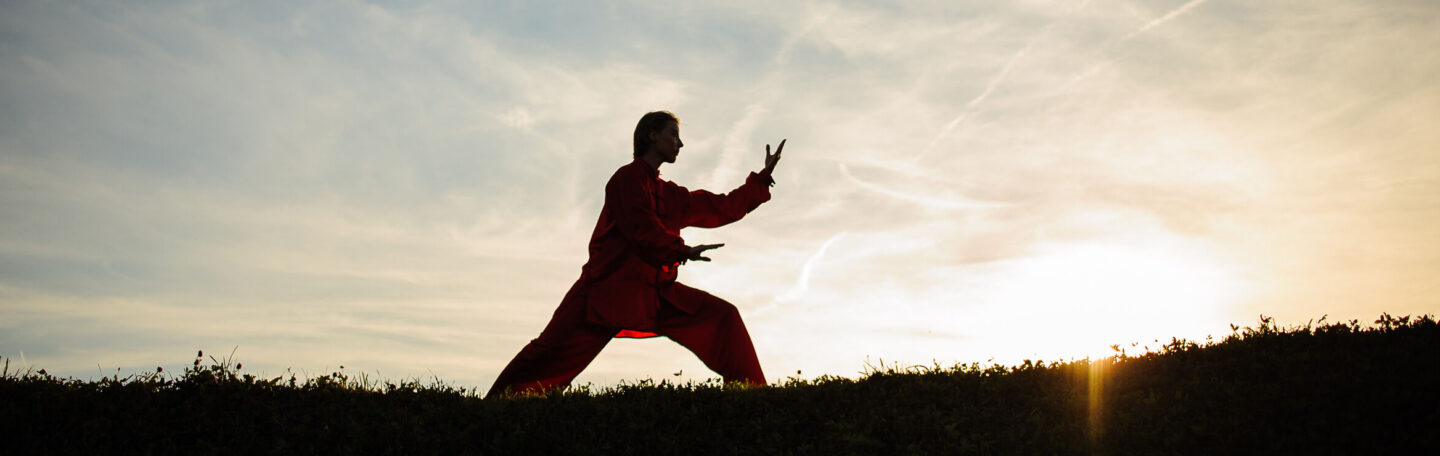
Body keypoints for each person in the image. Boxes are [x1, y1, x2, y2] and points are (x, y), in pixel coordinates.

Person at [486, 111, 785, 397]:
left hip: (653, 294)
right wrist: (683, 251)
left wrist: (759, 181)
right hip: (605, 291)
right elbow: (641, 231)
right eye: (674, 134)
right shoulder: (625, 180)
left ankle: (752, 397)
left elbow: (720, 206)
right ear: (652, 135)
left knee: (723, 317)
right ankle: (494, 410)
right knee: (546, 355)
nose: (680, 143)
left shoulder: (669, 194)